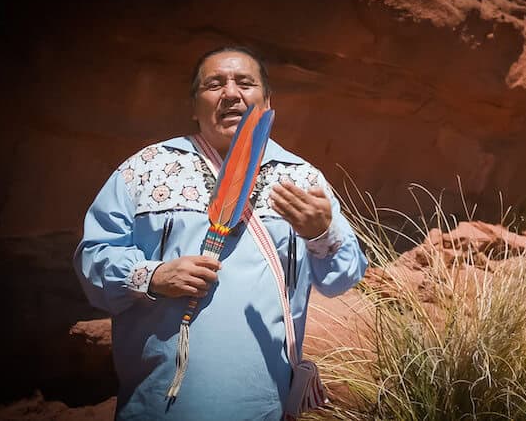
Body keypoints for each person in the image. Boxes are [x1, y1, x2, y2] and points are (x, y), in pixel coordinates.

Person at [74, 46, 368, 420]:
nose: (231, 93)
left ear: (267, 101)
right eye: (214, 84)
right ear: (193, 106)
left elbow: (343, 279)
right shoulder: (144, 170)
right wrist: (153, 275)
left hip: (263, 403)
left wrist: (321, 234)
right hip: (158, 402)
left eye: (245, 83)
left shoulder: (303, 179)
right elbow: (93, 259)